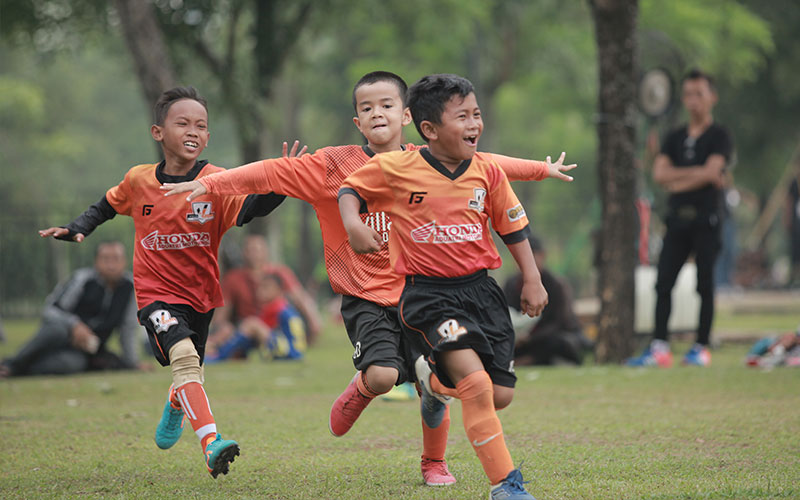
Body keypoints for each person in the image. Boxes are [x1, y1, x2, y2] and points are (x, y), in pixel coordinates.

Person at [161, 70, 575, 488]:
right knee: (383, 376)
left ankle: (434, 461)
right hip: (364, 296)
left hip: (420, 291)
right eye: (367, 107)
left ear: (408, 117)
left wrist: (541, 169)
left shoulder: (428, 157)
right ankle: (364, 389)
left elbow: (488, 165)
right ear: (358, 121)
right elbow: (268, 172)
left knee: (440, 383)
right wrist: (209, 183)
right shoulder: (331, 165)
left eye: (387, 105)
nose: (378, 113)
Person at [38, 86, 287, 478]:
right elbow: (106, 205)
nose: (193, 131)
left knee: (190, 371)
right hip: (156, 295)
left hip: (201, 296)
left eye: (201, 126)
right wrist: (78, 227)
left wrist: (282, 182)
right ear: (158, 132)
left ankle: (175, 402)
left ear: (208, 137)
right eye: (183, 123)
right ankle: (211, 443)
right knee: (184, 357)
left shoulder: (216, 180)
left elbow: (252, 208)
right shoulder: (138, 180)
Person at [339, 73, 546, 500]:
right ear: (429, 129)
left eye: (476, 114)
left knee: (500, 394)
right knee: (477, 385)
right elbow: (350, 189)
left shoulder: (487, 172)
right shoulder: (396, 168)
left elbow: (512, 227)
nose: (474, 124)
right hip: (429, 297)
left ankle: (432, 386)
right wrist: (354, 225)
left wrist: (532, 277)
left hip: (482, 294)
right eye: (462, 117)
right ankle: (505, 485)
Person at [628, 69, 733, 368]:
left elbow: (712, 172)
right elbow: (661, 174)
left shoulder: (720, 136)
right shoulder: (674, 137)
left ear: (712, 97)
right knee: (663, 282)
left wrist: (678, 179)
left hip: (707, 219)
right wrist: (700, 175)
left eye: (699, 94)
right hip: (677, 220)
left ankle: (701, 346)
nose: (693, 100)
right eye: (688, 94)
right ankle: (659, 346)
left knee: (705, 283)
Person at [0, 241, 143, 377]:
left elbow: (128, 328)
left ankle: (19, 371)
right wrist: (74, 325)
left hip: (84, 349)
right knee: (56, 330)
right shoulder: (82, 279)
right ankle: (11, 364)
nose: (111, 265)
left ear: (124, 262)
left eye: (116, 259)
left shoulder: (130, 288)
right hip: (61, 333)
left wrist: (132, 363)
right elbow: (50, 309)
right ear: (96, 262)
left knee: (72, 365)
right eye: (105, 259)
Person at [213, 234, 322, 347]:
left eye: (257, 250)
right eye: (250, 250)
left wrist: (313, 321)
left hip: (276, 326)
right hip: (246, 328)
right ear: (243, 253)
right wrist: (221, 329)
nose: (254, 254)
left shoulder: (280, 272)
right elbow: (221, 314)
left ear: (266, 252)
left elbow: (300, 297)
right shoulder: (232, 278)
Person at [504, 235, 593, 366]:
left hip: (549, 336)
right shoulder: (511, 284)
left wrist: (531, 337)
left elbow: (561, 321)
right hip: (521, 339)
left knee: (557, 342)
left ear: (542, 256)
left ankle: (527, 361)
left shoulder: (555, 284)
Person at [206, 271, 306, 362]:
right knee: (231, 330)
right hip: (285, 349)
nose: (260, 291)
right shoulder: (276, 307)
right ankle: (223, 351)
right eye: (260, 287)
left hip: (291, 352)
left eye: (266, 287)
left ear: (278, 290)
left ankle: (221, 356)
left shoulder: (280, 309)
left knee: (252, 324)